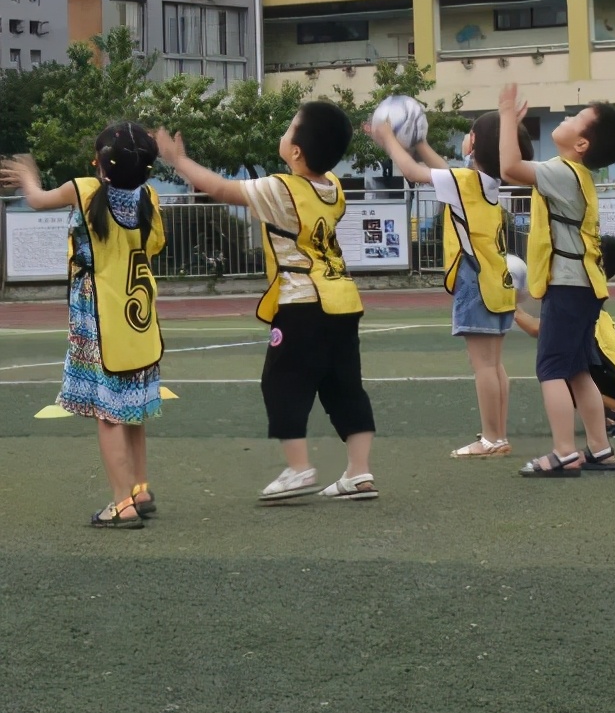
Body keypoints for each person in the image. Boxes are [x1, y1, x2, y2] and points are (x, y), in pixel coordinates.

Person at [156, 101, 378, 502]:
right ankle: (359, 473)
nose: (285, 131)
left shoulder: (282, 189)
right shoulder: (333, 187)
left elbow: (220, 188)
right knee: (346, 388)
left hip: (302, 304)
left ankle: (298, 468)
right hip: (343, 300)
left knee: (281, 382)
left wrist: (178, 160)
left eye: (291, 127)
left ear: (296, 151)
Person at [1, 124, 165, 528]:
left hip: (99, 313)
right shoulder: (149, 198)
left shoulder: (86, 189)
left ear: (101, 166)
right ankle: (139, 489)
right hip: (139, 317)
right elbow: (155, 244)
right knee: (134, 408)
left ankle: (121, 504)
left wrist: (27, 176)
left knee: (106, 412)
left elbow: (38, 200)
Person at [368, 109, 533, 459]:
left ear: (474, 144)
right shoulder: (480, 181)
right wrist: (422, 143)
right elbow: (444, 170)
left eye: (471, 133)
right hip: (497, 281)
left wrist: (389, 141)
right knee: (496, 365)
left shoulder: (464, 182)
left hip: (476, 281)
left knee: (483, 367)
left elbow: (415, 173)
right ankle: (497, 435)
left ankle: (490, 438)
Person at [498, 84, 615, 476]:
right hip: (584, 286)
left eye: (576, 119)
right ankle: (598, 448)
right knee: (576, 370)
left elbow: (509, 168)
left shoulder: (562, 171)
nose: (566, 119)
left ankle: (563, 452)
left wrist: (507, 114)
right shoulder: (574, 174)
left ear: (583, 144)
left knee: (552, 369)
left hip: (569, 286)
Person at [513, 235, 615, 434]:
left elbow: (540, 330)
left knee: (557, 372)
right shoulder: (595, 292)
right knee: (571, 362)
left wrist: (512, 309)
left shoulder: (579, 293)